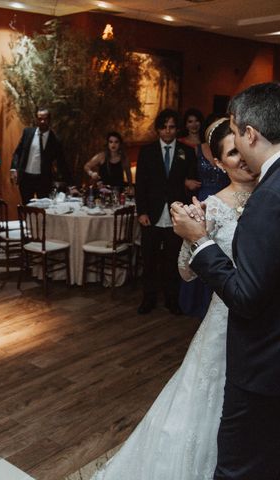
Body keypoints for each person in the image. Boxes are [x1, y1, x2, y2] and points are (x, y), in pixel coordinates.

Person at [172, 82, 280, 479]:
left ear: (250, 133)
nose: (232, 138)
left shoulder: (274, 193)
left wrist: (199, 241)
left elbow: (247, 297)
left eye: (234, 130)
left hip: (273, 367)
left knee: (241, 470)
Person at [92, 117, 258, 480]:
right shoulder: (211, 207)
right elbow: (186, 271)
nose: (242, 159)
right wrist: (193, 236)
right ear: (218, 162)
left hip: (268, 320)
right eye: (232, 153)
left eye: (244, 149)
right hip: (225, 319)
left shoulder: (275, 194)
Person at [135, 108, 198, 315]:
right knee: (150, 260)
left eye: (171, 127)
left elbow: (191, 182)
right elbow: (141, 185)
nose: (168, 131)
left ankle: (172, 299)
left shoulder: (186, 152)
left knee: (173, 259)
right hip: (151, 215)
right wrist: (141, 211)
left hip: (175, 215)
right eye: (164, 127)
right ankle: (148, 299)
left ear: (176, 129)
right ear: (158, 129)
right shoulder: (147, 151)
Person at [177, 109, 229, 319]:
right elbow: (181, 175)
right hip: (203, 199)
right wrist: (186, 182)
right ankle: (193, 302)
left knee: (218, 249)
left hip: (225, 201)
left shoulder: (228, 153)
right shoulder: (196, 150)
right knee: (198, 247)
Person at [11, 108, 73, 202]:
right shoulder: (28, 133)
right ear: (36, 119)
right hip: (25, 178)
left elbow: (62, 163)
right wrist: (13, 168)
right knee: (26, 207)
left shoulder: (55, 140)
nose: (42, 121)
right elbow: (18, 152)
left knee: (44, 209)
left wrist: (71, 184)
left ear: (49, 119)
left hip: (43, 180)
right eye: (40, 119)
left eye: (45, 119)